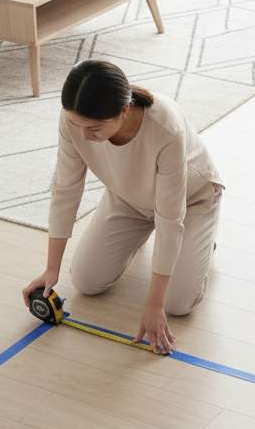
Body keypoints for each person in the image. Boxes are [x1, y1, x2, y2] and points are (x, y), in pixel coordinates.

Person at [22, 59, 224, 355]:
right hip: (128, 198)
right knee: (86, 282)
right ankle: (146, 235)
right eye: (77, 125)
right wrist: (51, 269)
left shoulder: (165, 127)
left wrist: (153, 306)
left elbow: (169, 218)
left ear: (125, 110)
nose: (84, 136)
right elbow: (65, 189)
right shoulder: (75, 120)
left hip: (190, 201)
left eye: (94, 128)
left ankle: (203, 240)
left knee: (177, 304)